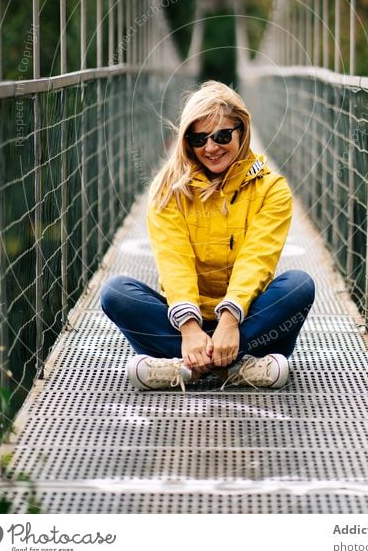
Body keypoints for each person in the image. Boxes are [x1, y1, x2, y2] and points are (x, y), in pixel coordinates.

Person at [100, 80, 315, 391]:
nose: (211, 148)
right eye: (199, 138)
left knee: (299, 286)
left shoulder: (272, 189)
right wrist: (189, 328)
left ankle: (183, 368)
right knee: (115, 293)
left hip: (248, 322)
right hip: (185, 325)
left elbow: (258, 258)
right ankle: (238, 368)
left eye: (222, 135)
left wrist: (229, 320)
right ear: (187, 141)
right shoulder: (168, 189)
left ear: (243, 132)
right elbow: (174, 260)